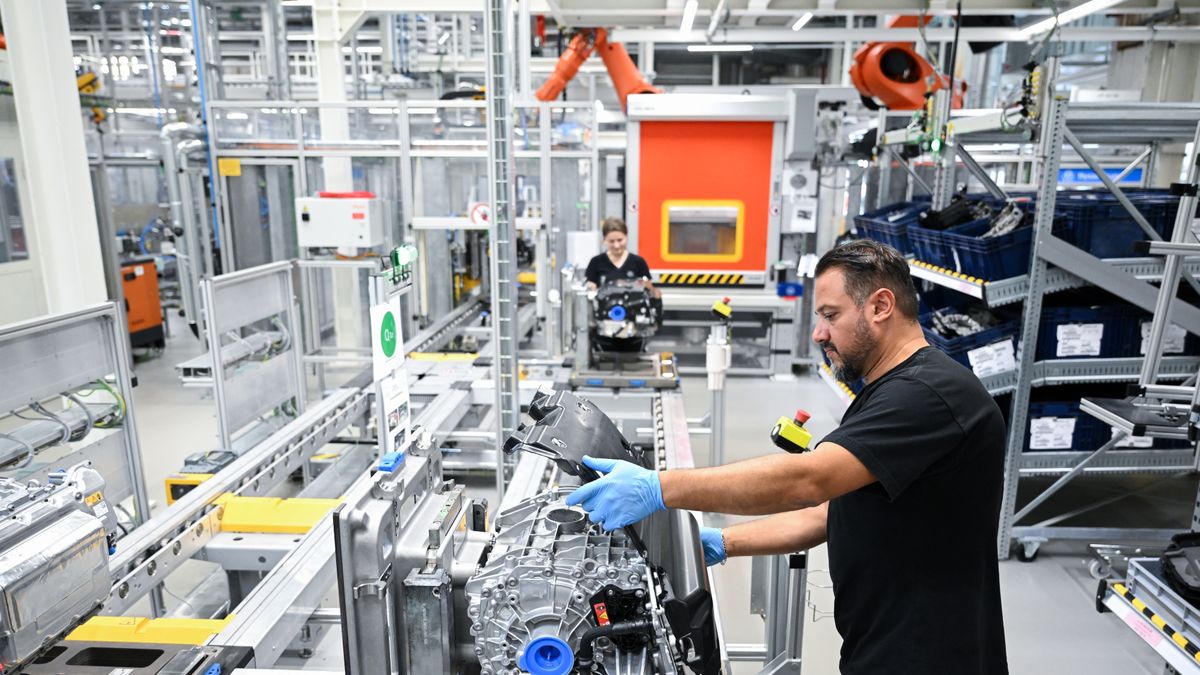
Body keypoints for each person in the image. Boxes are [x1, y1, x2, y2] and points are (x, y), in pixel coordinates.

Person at [566, 239, 1009, 675]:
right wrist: (723, 544)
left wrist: (659, 487)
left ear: (880, 306)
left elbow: (808, 480)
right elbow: (830, 512)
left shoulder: (927, 396)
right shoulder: (892, 389)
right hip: (884, 641)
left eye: (830, 316)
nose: (818, 333)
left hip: (930, 654)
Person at [585, 217, 660, 298]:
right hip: (604, 309)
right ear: (604, 240)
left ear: (626, 237)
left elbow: (650, 290)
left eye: (620, 240)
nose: (616, 245)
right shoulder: (596, 262)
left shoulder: (638, 262)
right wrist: (590, 287)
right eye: (611, 241)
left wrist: (652, 290)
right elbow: (590, 287)